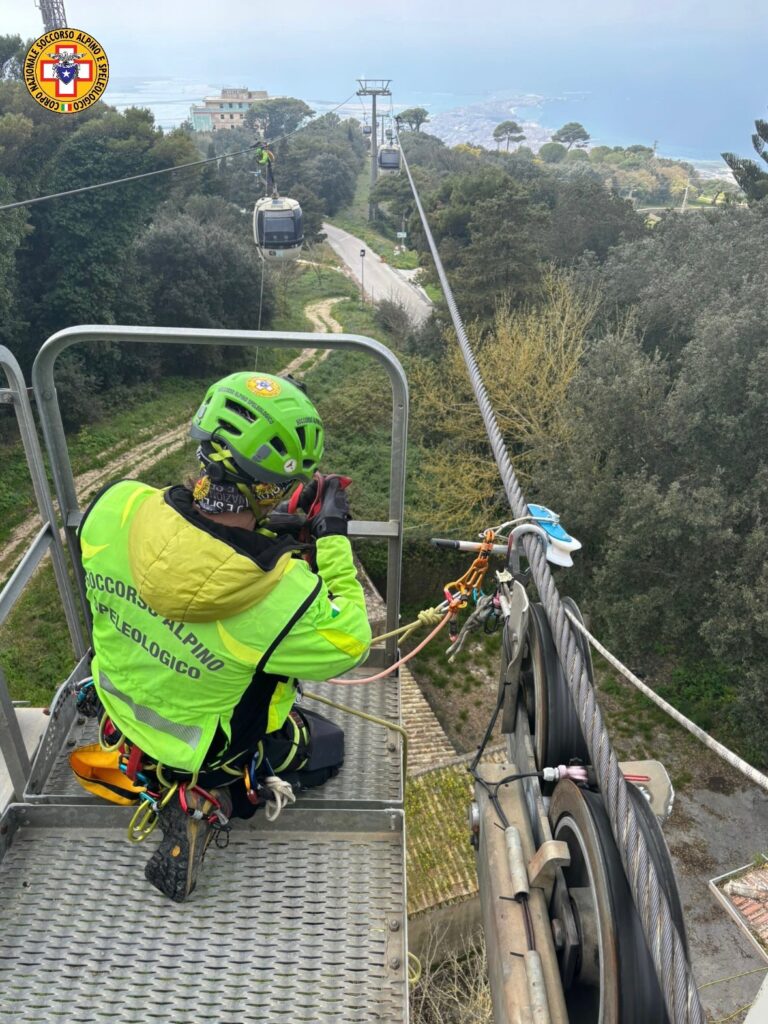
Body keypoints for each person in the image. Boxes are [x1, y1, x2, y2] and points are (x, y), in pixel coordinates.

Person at [77, 371, 372, 901]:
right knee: (327, 746)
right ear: (269, 490)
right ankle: (218, 802)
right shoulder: (282, 595)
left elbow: (193, 547)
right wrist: (329, 541)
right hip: (203, 752)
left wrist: (262, 531)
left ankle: (158, 773)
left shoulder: (117, 507)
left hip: (119, 705)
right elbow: (351, 640)